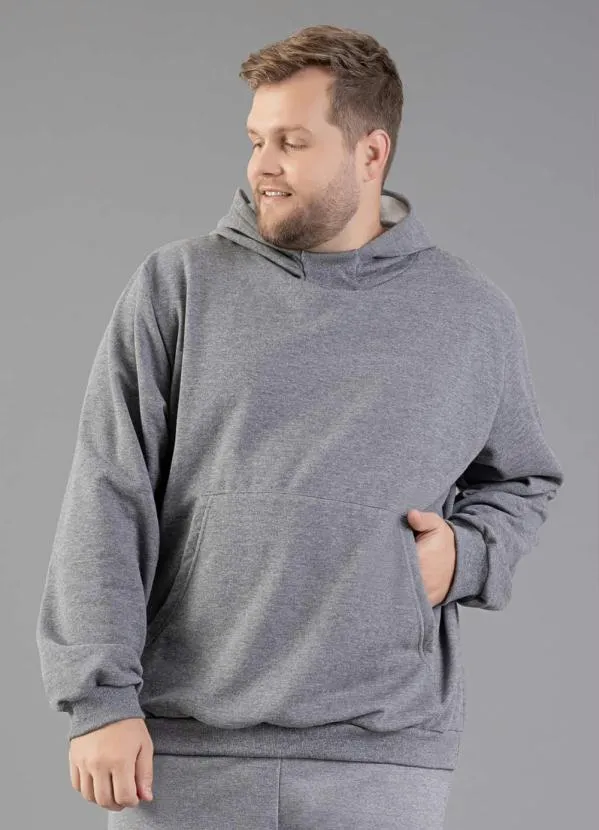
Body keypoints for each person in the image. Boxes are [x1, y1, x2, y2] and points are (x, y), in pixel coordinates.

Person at [35, 23, 564, 830]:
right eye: (256, 141)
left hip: (382, 755)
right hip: (182, 752)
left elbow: (522, 478)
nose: (262, 166)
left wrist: (468, 554)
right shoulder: (179, 286)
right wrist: (99, 700)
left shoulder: (469, 313)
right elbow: (109, 492)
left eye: (291, 141)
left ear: (370, 153)